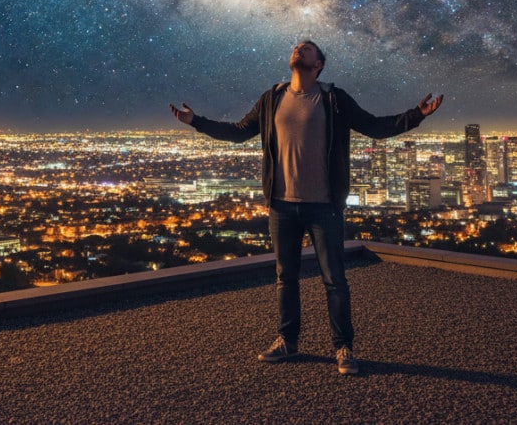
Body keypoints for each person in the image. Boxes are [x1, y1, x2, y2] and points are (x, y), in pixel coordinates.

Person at [169, 40, 442, 375]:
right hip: (282, 206)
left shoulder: (334, 99)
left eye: (308, 48)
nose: (300, 49)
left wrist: (417, 116)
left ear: (319, 65)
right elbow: (240, 132)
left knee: (335, 280)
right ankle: (288, 341)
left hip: (324, 205)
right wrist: (197, 121)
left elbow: (374, 127)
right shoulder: (272, 98)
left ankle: (343, 347)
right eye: (297, 47)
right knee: (286, 277)